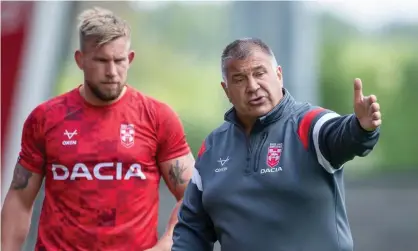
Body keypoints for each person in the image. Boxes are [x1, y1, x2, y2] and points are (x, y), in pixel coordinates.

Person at [1, 7, 195, 251]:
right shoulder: (46, 118)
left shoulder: (157, 116)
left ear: (130, 58)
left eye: (119, 60)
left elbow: (192, 196)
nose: (112, 72)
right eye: (102, 60)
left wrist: (167, 243)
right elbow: (19, 198)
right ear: (80, 60)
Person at [171, 38, 381, 251]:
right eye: (239, 79)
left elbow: (341, 135)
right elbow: (192, 228)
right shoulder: (213, 147)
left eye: (260, 73)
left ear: (278, 75)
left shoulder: (310, 124)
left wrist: (360, 128)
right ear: (226, 90)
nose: (252, 87)